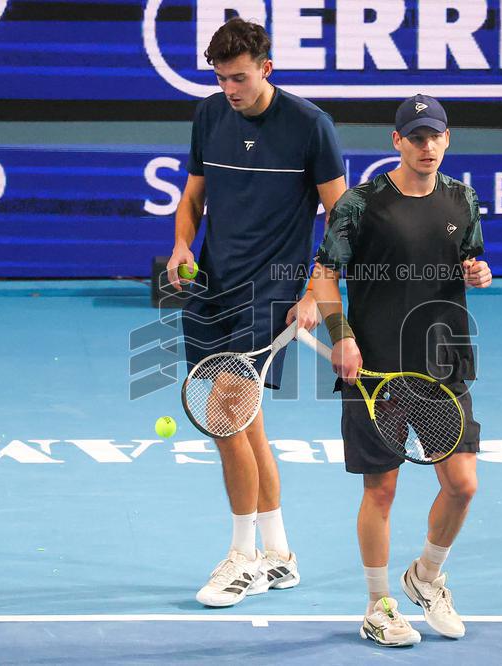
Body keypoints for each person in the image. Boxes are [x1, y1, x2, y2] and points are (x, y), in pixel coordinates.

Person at [166, 17, 347, 607]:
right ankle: (279, 553)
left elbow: (341, 220)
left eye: (239, 78)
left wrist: (316, 290)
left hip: (270, 292)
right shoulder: (209, 115)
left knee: (223, 416)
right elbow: (193, 195)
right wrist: (181, 247)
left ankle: (242, 558)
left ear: (266, 69)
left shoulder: (309, 126)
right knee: (246, 425)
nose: (229, 90)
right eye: (220, 79)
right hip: (210, 287)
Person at [310, 94, 492, 646]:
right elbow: (324, 276)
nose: (427, 146)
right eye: (416, 137)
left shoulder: (463, 198)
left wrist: (478, 271)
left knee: (461, 485)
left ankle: (427, 575)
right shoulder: (361, 204)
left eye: (435, 136)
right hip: (376, 371)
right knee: (381, 491)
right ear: (397, 142)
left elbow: (471, 258)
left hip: (441, 362)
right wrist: (341, 338)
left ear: (447, 138)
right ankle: (377, 605)